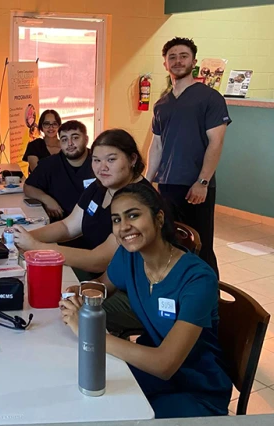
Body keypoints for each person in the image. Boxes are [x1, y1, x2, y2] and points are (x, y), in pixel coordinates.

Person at [59, 183, 231, 418]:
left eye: (133, 215)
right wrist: (78, 292)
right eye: (117, 219)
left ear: (159, 218)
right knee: (80, 393)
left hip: (194, 388)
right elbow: (102, 285)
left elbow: (164, 364)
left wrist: (87, 332)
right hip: (146, 370)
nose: (124, 227)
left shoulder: (197, 279)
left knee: (109, 413)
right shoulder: (129, 256)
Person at [15, 129, 150, 334]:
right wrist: (25, 237)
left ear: (132, 159)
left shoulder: (139, 201)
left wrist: (38, 248)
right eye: (96, 160)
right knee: (44, 297)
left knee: (60, 315)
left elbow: (101, 259)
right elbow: (68, 226)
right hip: (105, 280)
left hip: (137, 293)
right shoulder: (100, 187)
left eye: (111, 160)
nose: (102, 168)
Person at [145, 37, 231, 278]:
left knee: (200, 247)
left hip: (196, 187)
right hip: (168, 185)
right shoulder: (163, 103)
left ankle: (209, 300)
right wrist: (146, 181)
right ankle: (178, 292)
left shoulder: (209, 98)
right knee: (171, 243)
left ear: (193, 62)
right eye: (172, 57)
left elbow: (216, 142)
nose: (177, 61)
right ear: (165, 64)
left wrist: (203, 181)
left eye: (183, 56)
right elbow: (157, 145)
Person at [23, 120, 95, 248]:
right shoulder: (50, 164)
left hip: (95, 231)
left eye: (75, 138)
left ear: (86, 139)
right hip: (60, 232)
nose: (70, 144)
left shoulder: (98, 163)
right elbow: (29, 187)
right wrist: (46, 199)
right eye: (64, 139)